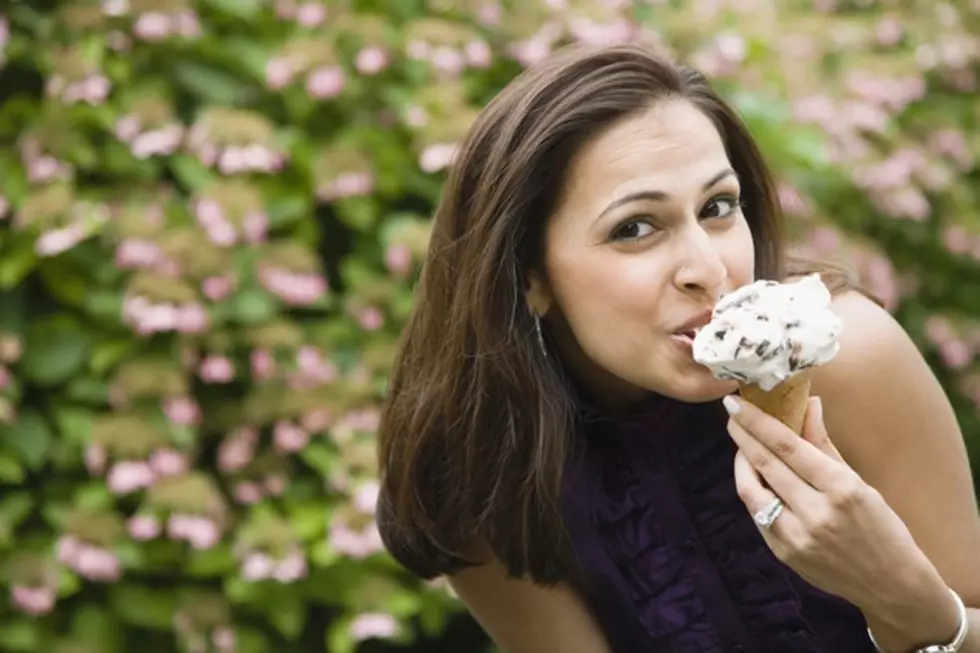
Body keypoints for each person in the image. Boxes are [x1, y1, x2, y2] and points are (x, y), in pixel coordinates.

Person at [375, 42, 980, 653]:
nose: (708, 269)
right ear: (528, 275)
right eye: (635, 228)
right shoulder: (486, 472)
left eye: (718, 208)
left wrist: (908, 601)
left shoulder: (847, 360)